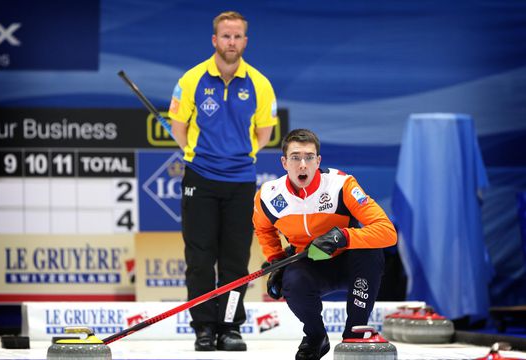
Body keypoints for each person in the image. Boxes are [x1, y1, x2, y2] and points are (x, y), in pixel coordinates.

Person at [167, 11, 278, 352]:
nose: (232, 42)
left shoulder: (260, 83)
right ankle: (203, 327)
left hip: (241, 181)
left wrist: (236, 157)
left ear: (245, 41)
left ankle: (229, 327)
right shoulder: (191, 80)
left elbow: (265, 133)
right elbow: (178, 126)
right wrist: (197, 154)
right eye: (225, 36)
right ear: (214, 40)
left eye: (237, 36)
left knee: (234, 261)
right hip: (200, 177)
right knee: (199, 258)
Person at [253, 129, 397, 360]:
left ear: (318, 161)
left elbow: (387, 232)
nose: (303, 165)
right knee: (293, 281)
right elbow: (263, 228)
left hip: (350, 261)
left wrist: (344, 236)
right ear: (284, 162)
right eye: (295, 157)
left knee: (371, 252)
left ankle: (355, 334)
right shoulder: (269, 196)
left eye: (309, 157)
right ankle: (315, 337)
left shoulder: (342, 185)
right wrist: (276, 260)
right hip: (310, 262)